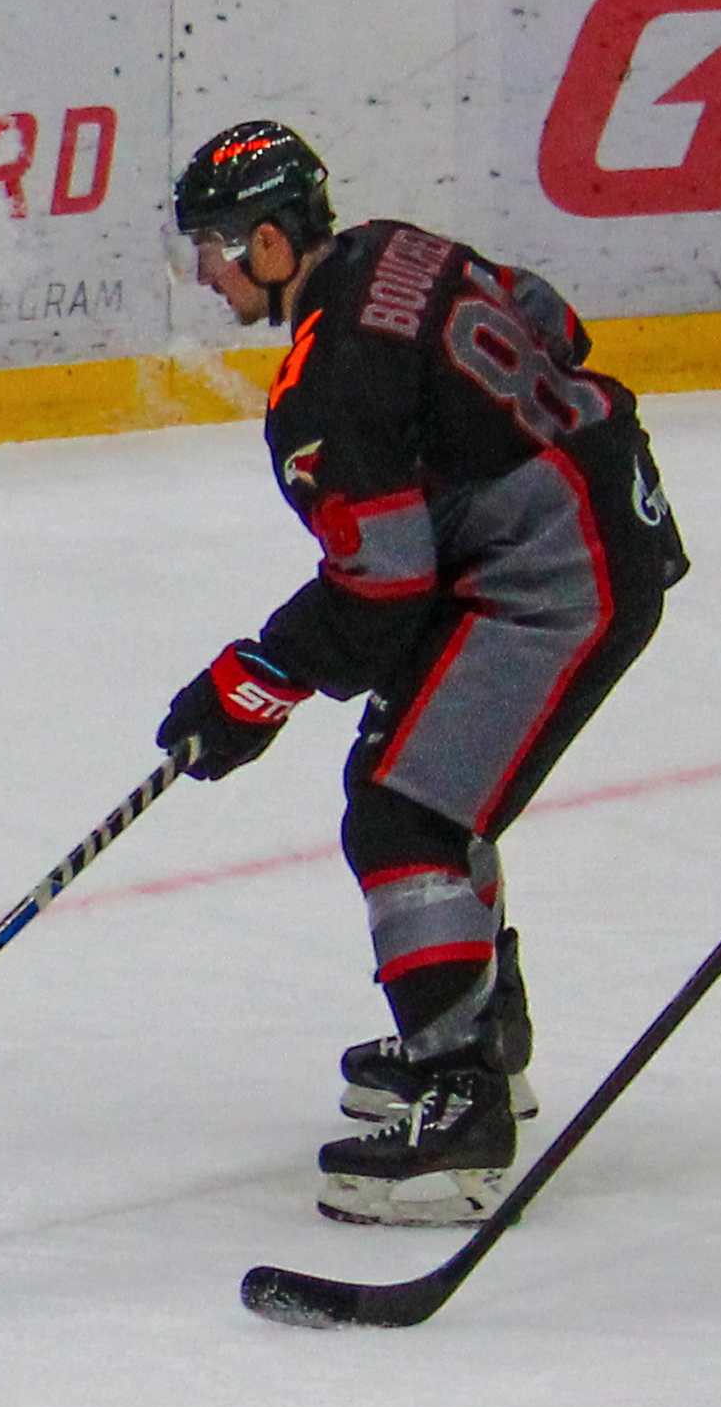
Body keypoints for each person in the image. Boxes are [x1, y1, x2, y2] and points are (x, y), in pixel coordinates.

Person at [148, 116, 688, 1223]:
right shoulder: (397, 247)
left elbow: (383, 585)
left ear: (268, 243)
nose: (205, 275)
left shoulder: (320, 386)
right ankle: (484, 1029)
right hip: (590, 512)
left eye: (213, 248)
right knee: (426, 768)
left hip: (557, 576)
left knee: (405, 810)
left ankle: (460, 1101)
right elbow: (555, 323)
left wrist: (255, 678)